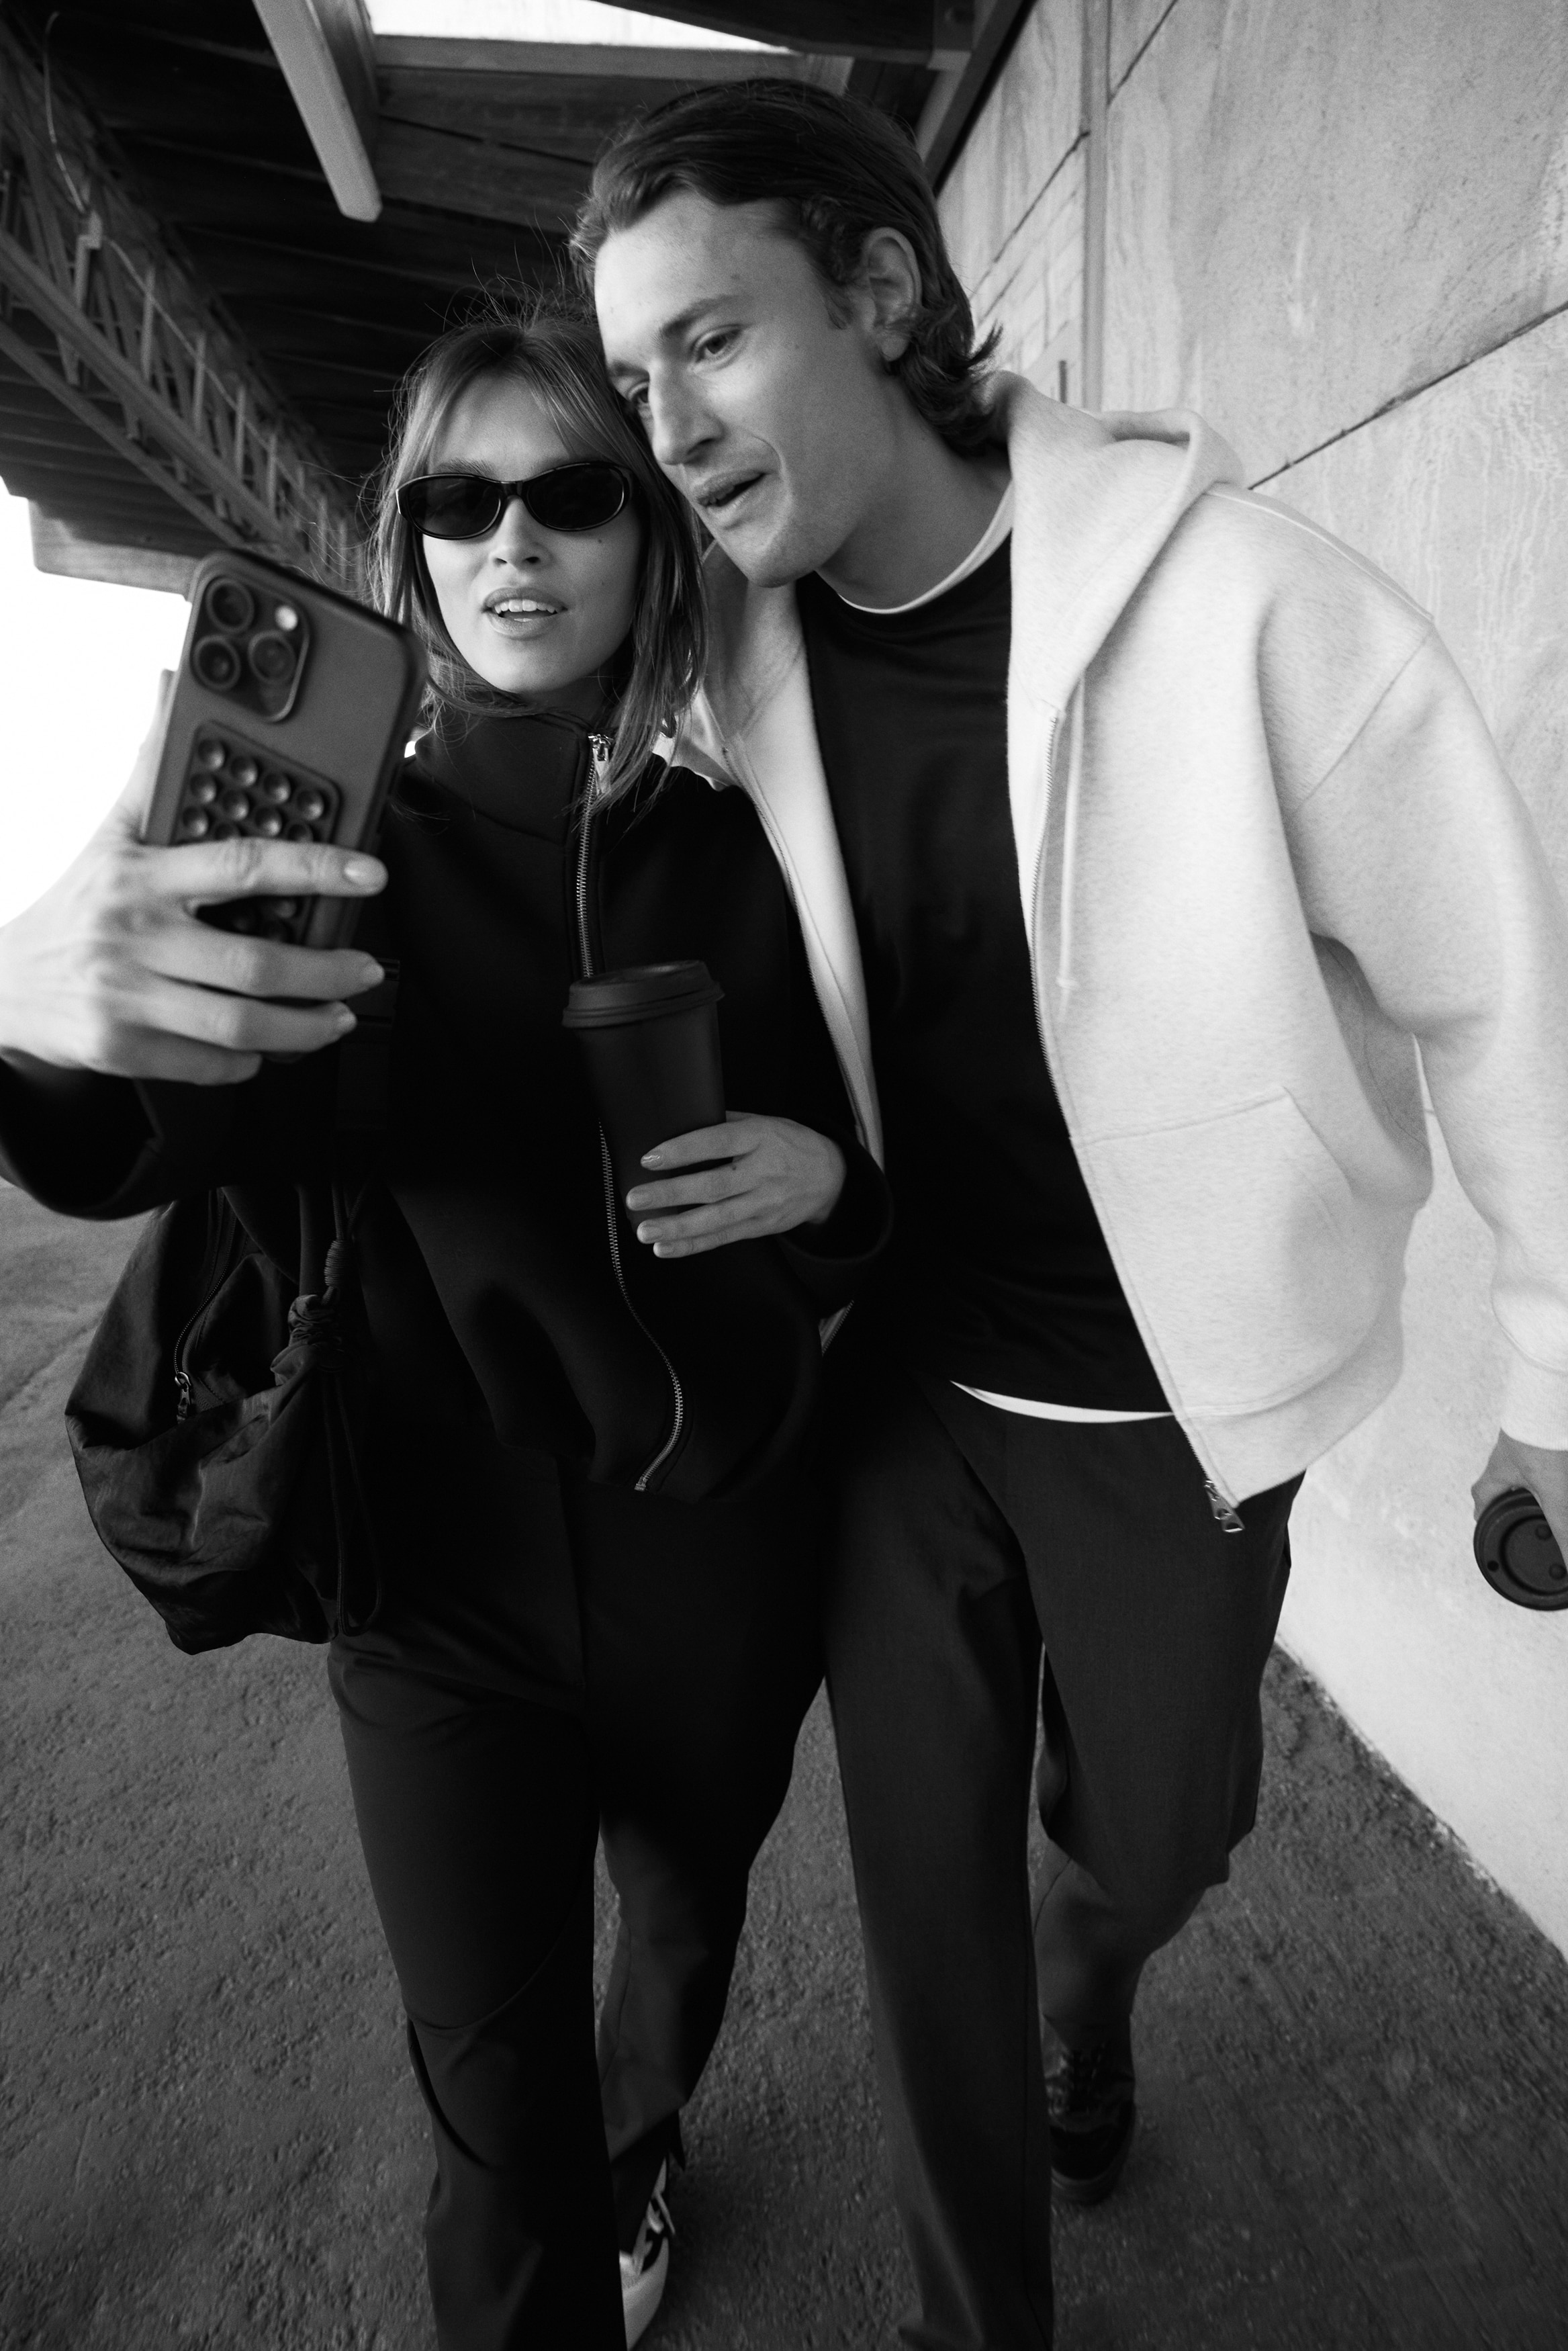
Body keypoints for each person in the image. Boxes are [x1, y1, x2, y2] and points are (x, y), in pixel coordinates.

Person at [576, 79, 1568, 2350]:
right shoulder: (718, 667)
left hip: (1168, 1411)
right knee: (918, 1897)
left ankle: (1090, 1985)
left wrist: (1557, 1364)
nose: (670, 427)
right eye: (635, 379)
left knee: (1159, 1838)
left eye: (710, 339)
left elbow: (1497, 975)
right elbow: (495, 705)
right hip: (900, 1396)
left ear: (883, 290)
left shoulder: (1241, 601)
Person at [0, 296, 887, 2348]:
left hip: (722, 1550)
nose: (514, 541)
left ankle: (648, 2135)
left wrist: (834, 1195)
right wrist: (34, 1007)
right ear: (407, 547)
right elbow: (137, 1118)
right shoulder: (320, 851)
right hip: (430, 1572)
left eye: (570, 491)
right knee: (495, 2112)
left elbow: (868, 1165)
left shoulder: (762, 842)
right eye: (459, 503)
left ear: (650, 534)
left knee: (684, 1927)